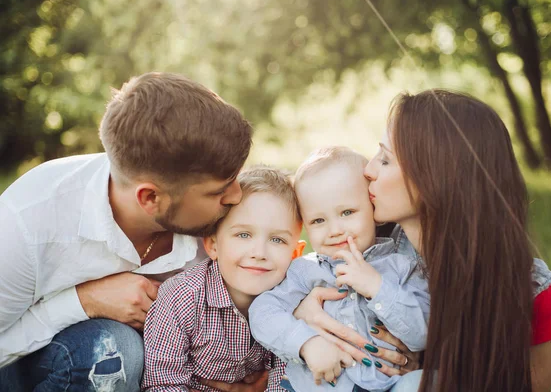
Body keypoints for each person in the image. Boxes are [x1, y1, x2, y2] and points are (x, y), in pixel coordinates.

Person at [290, 90, 551, 392]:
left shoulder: (532, 292)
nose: (368, 170)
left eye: (385, 160)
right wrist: (304, 312)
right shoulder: (362, 248)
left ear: (433, 178)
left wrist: (427, 367)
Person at [0, 72, 259, 391]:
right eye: (218, 190)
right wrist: (84, 301)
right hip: (28, 361)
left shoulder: (219, 209)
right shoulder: (27, 224)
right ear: (150, 198)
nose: (236, 195)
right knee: (112, 351)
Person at [250, 147, 430, 392]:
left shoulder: (401, 267)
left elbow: (422, 334)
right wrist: (306, 343)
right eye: (318, 220)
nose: (334, 229)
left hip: (385, 384)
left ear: (374, 211)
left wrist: (378, 287)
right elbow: (262, 312)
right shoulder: (305, 271)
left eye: (347, 212)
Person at [141, 166, 305, 392]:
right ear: (212, 244)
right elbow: (162, 383)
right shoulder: (183, 298)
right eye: (243, 235)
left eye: (277, 240)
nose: (259, 252)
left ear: (295, 254)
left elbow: (286, 380)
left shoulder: (294, 303)